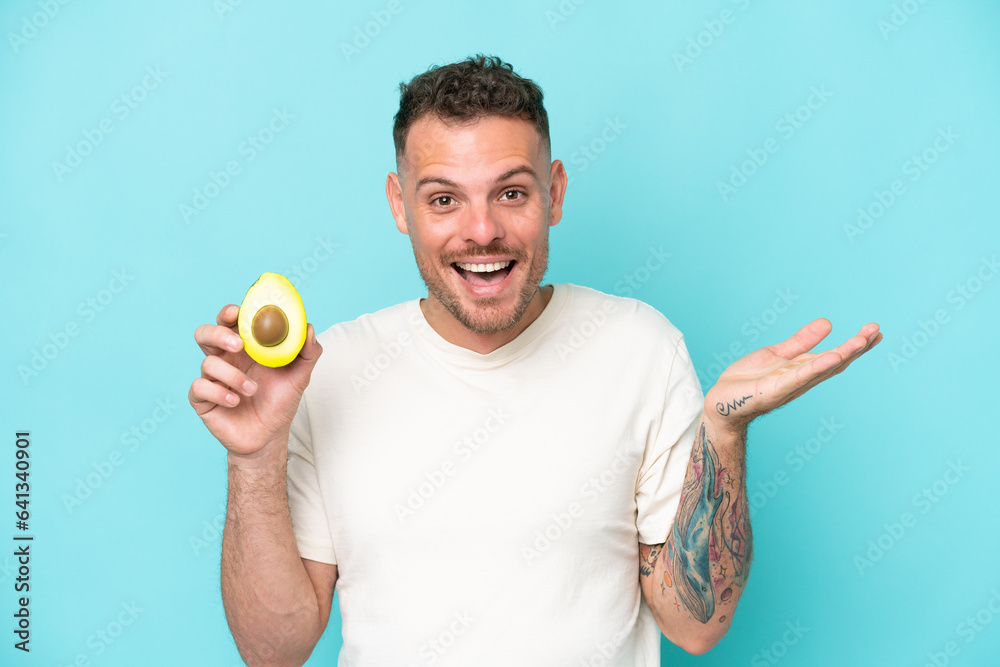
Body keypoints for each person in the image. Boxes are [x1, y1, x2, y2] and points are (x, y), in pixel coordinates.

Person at [188, 54, 882, 667]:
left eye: (511, 192)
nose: (481, 230)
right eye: (443, 199)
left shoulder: (639, 347)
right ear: (401, 205)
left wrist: (723, 435)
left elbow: (696, 627)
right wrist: (253, 457)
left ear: (554, 192)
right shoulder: (331, 368)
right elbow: (272, 652)